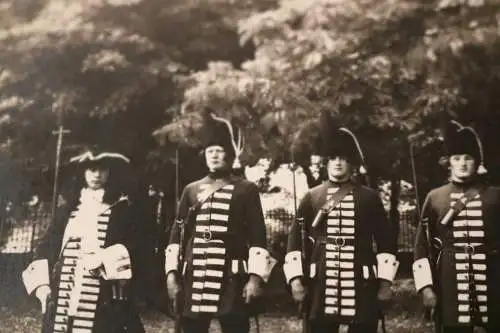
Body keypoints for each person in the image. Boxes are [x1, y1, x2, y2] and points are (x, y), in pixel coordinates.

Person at [283, 111, 398, 333]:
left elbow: (386, 243)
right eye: (333, 158)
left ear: (352, 164)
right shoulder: (312, 197)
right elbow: (294, 240)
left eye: (343, 158)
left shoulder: (369, 197)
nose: (337, 163)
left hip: (360, 280)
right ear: (326, 162)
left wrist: (385, 283)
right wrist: (296, 280)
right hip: (321, 280)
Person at [164, 112, 276, 333]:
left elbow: (257, 237)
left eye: (219, 151)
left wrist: (255, 279)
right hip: (195, 273)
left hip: (231, 276)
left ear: (229, 155)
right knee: (192, 327)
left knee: (234, 326)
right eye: (210, 151)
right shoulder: (191, 189)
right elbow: (177, 236)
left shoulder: (246, 189)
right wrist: (172, 276)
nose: (214, 156)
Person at [22, 147, 145, 333]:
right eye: (91, 169)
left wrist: (106, 260)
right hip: (65, 291)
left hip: (104, 293)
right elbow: (45, 247)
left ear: (109, 173)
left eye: (102, 169)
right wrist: (43, 288)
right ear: (83, 173)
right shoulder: (68, 211)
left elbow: (135, 246)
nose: (96, 174)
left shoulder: (121, 210)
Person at [413, 120, 500, 333]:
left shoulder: (495, 196)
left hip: (492, 278)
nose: (462, 163)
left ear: (477, 162)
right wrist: (426, 288)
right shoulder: (435, 197)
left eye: (468, 158)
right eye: (457, 158)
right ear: (449, 162)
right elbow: (422, 246)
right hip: (450, 279)